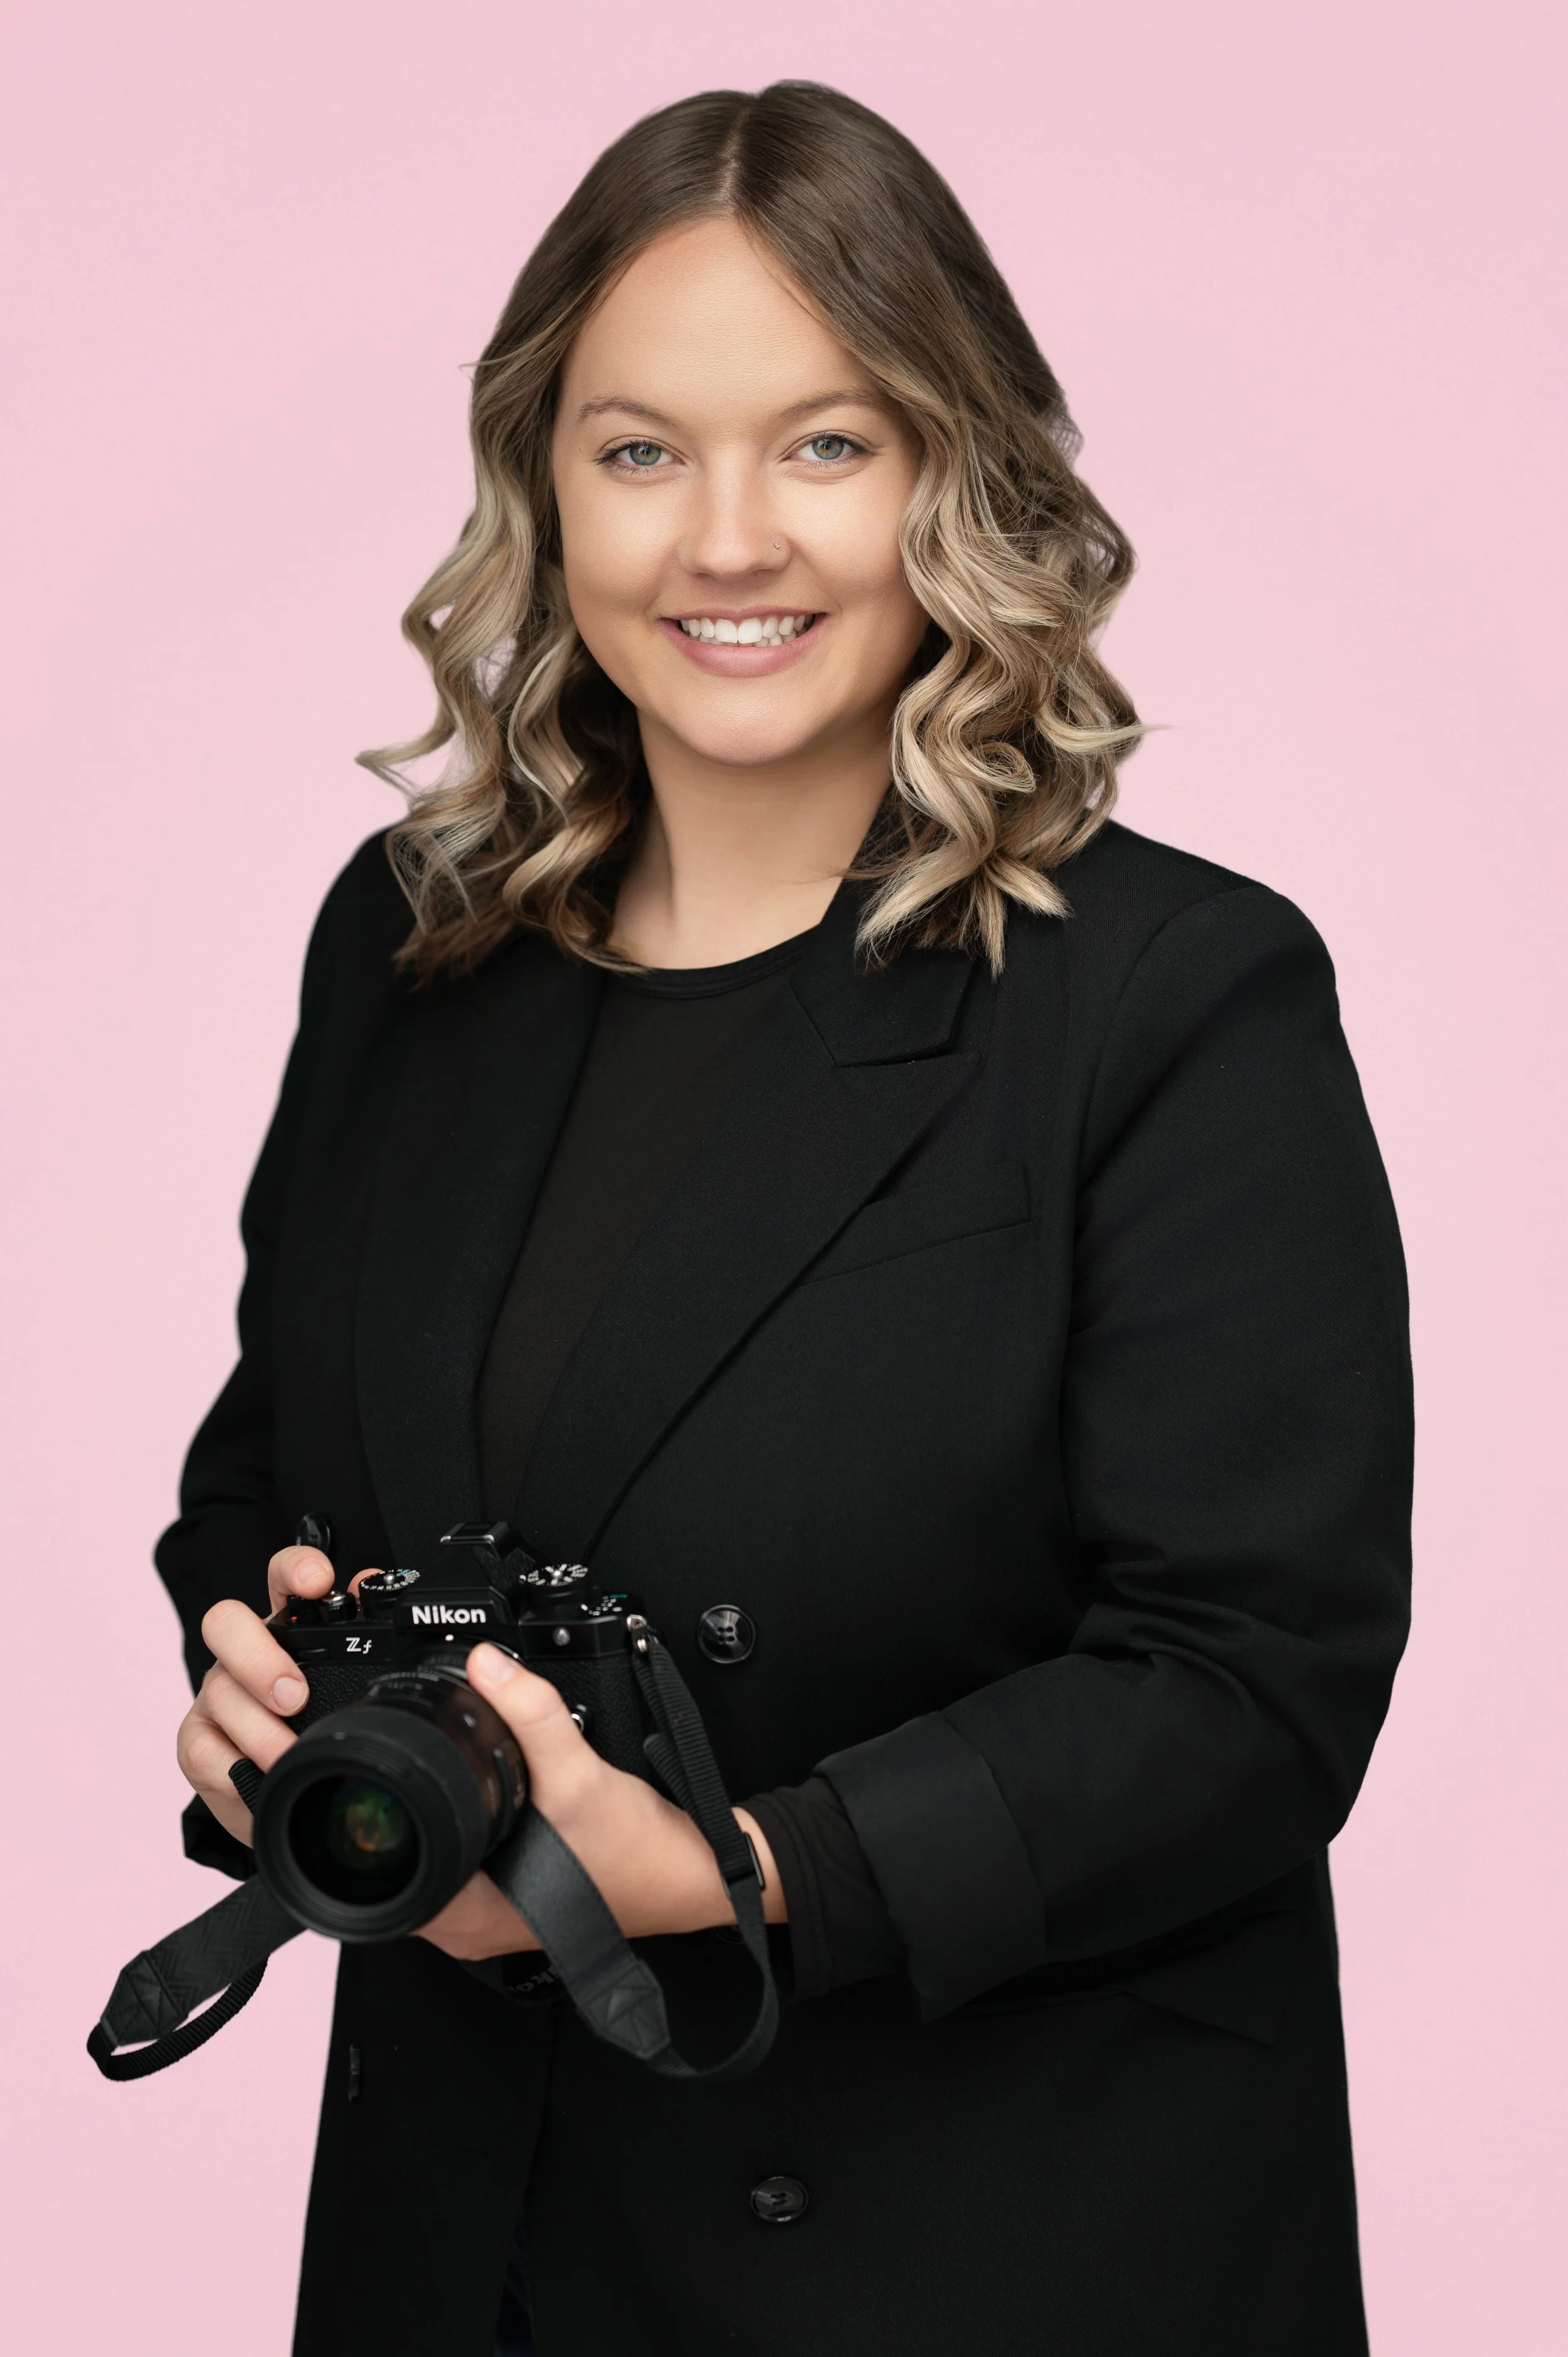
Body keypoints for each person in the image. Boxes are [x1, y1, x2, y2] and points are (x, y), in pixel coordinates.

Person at [161, 81, 1412, 2357]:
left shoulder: (1170, 999)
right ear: (544, 492)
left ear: (962, 477)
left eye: (825, 444)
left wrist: (739, 1875)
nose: (726, 539)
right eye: (641, 450)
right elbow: (262, 1474)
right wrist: (263, 1682)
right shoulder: (412, 947)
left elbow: (1250, 1680)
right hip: (479, 2239)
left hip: (992, 2255)